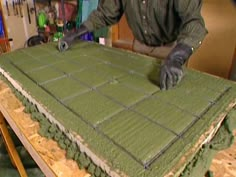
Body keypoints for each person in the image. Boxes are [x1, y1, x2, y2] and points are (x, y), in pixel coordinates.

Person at [58, 0, 207, 90]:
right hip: (139, 47)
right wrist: (76, 33)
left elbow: (194, 22)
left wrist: (177, 57)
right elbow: (105, 13)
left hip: (170, 51)